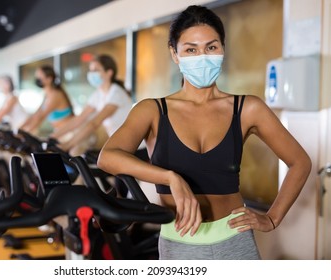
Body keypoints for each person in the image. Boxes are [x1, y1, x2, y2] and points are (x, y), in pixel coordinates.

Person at [97, 5, 311, 260]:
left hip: (235, 240)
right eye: (191, 49)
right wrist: (170, 178)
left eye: (211, 47)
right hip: (179, 241)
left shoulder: (246, 108)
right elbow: (107, 158)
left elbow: (300, 162)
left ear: (222, 49)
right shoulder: (153, 110)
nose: (203, 57)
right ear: (175, 54)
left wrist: (273, 218)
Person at [51, 54, 134, 156]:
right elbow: (79, 119)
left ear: (109, 73)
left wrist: (67, 145)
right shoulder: (99, 94)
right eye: (90, 70)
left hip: (134, 147)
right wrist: (52, 137)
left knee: (78, 149)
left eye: (96, 70)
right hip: (120, 144)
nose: (91, 73)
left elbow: (94, 123)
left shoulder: (116, 93)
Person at [20, 65, 74, 135]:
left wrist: (24, 134)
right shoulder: (46, 96)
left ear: (49, 79)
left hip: (70, 133)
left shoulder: (55, 95)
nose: (37, 79)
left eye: (39, 77)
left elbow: (41, 117)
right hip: (59, 131)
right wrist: (19, 130)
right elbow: (36, 115)